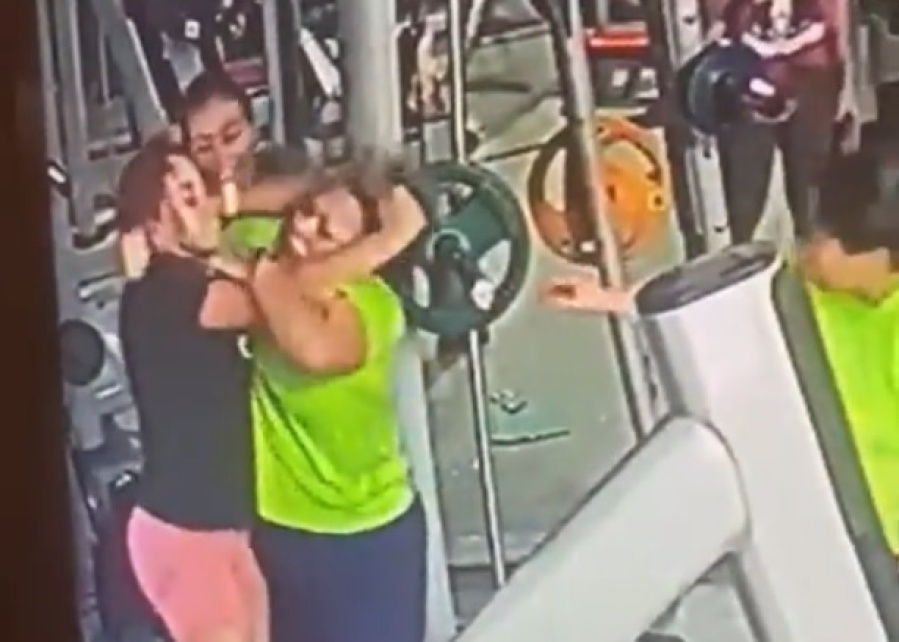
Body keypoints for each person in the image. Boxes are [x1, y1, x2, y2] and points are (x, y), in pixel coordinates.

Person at [539, 148, 899, 560]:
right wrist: (613, 300)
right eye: (815, 231)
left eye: (834, 243)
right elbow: (718, 307)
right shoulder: (803, 288)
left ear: (887, 257)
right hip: (828, 521)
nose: (811, 250)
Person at [222, 164, 430, 642]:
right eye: (306, 212)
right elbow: (270, 199)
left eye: (326, 233)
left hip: (363, 541)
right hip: (277, 526)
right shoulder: (268, 243)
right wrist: (227, 205)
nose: (302, 229)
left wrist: (261, 272)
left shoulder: (373, 305)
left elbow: (315, 351)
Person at [117, 135, 268, 642]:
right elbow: (278, 305)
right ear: (153, 222)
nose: (203, 203)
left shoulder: (179, 283)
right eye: (184, 195)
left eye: (199, 188)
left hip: (215, 523)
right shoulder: (174, 293)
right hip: (186, 531)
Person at [702, 0, 853, 243]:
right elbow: (715, 22)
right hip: (745, 71)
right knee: (744, 197)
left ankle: (812, 257)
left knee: (812, 196)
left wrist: (847, 76)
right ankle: (742, 256)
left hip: (815, 74)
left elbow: (838, 12)